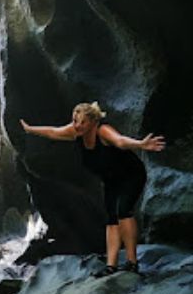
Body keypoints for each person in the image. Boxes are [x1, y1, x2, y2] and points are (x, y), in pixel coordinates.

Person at [21, 102, 165, 274]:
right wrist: (30, 129)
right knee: (111, 219)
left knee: (123, 211)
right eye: (75, 121)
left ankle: (132, 262)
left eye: (82, 122)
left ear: (93, 122)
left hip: (131, 175)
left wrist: (141, 144)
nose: (77, 125)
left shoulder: (102, 131)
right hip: (111, 179)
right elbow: (53, 132)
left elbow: (120, 141)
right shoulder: (76, 132)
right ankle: (111, 266)